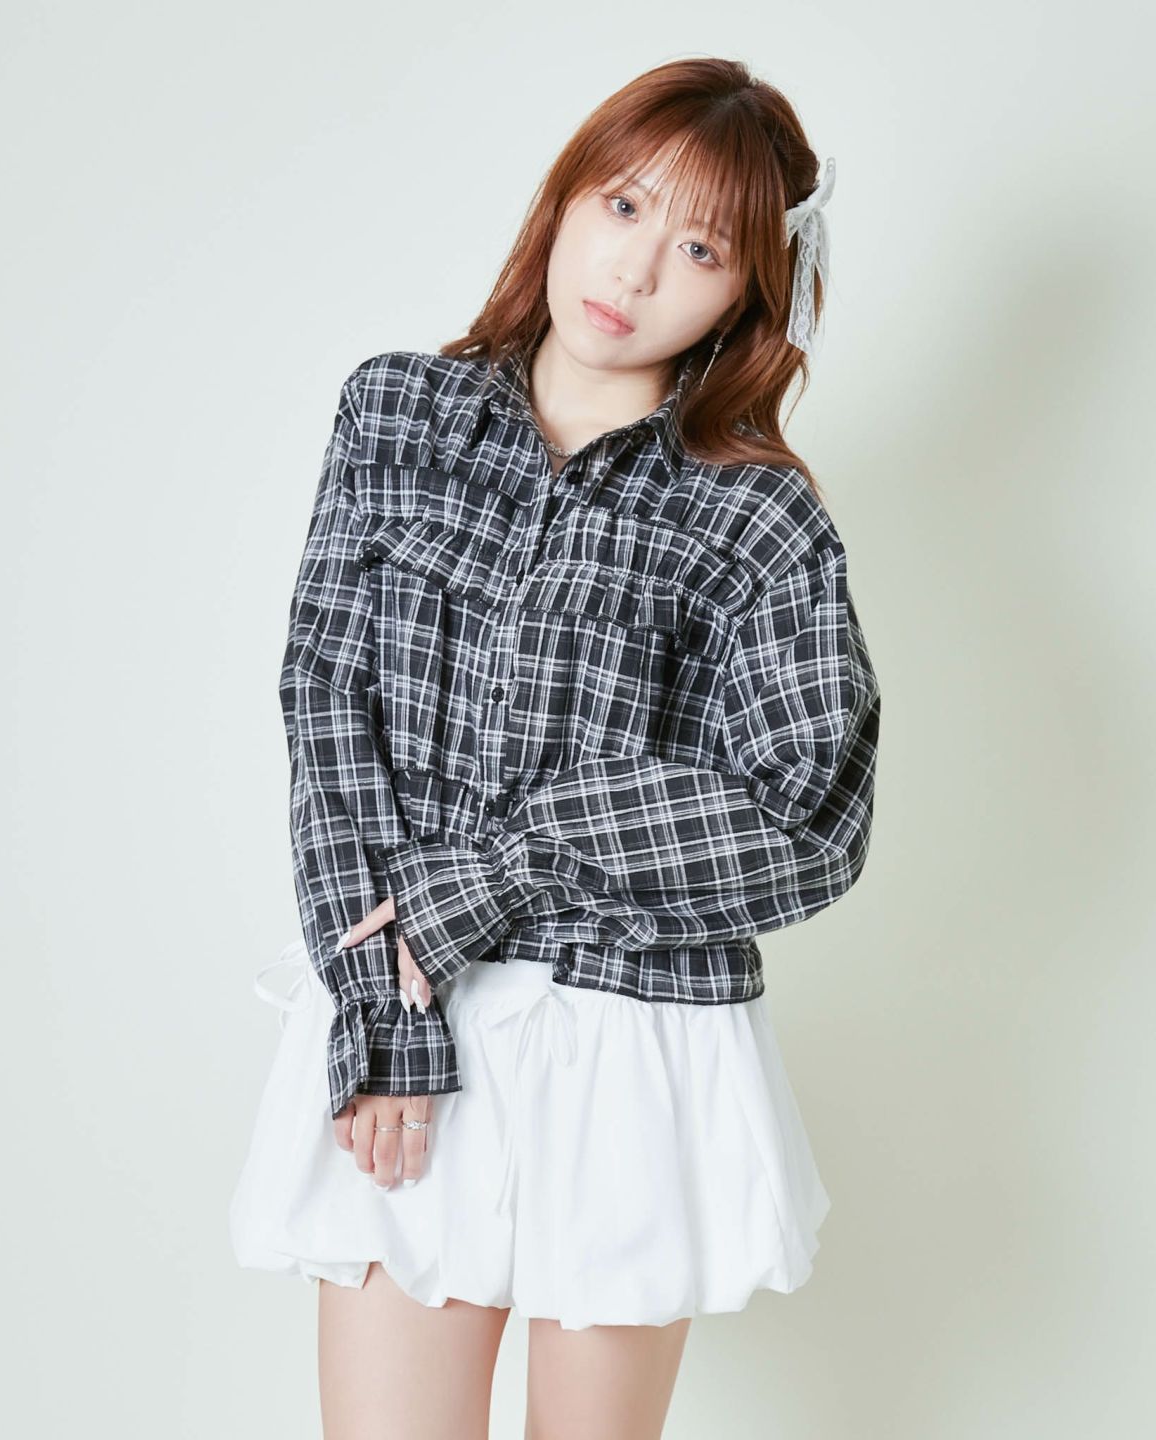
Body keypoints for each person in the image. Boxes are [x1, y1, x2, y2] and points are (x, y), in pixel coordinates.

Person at [230, 55, 881, 1440]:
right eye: (624, 204)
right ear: (566, 198)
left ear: (748, 292)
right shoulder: (396, 413)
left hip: (635, 1036)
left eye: (701, 247)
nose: (636, 268)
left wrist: (509, 867)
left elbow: (808, 821)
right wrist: (380, 1008)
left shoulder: (758, 518)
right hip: (408, 991)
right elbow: (327, 707)